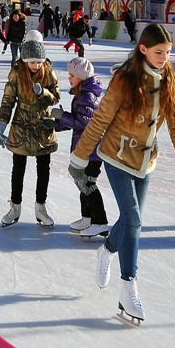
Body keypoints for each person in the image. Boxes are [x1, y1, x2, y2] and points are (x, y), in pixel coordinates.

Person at [68, 24, 175, 326]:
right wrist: (79, 158)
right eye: (159, 53)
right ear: (143, 49)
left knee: (131, 220)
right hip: (116, 155)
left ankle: (107, 249)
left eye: (168, 53)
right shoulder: (124, 79)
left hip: (145, 160)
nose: (164, 58)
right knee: (134, 220)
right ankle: (129, 287)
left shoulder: (171, 83)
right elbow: (100, 118)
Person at [0, 31, 61, 228]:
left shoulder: (48, 71)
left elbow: (56, 96)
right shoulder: (16, 72)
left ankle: (40, 208)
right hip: (21, 124)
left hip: (43, 124)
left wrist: (45, 93)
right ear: (25, 60)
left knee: (44, 169)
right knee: (18, 168)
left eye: (39, 62)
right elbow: (8, 99)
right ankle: (15, 207)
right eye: (32, 62)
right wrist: (2, 122)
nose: (36, 65)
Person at [57, 57, 109, 238]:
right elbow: (78, 120)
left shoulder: (87, 96)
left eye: (72, 75)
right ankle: (87, 218)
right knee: (82, 183)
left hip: (92, 151)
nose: (69, 78)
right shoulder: (82, 93)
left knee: (87, 183)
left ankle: (100, 222)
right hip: (85, 149)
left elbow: (83, 123)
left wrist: (62, 116)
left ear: (81, 76)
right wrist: (57, 123)